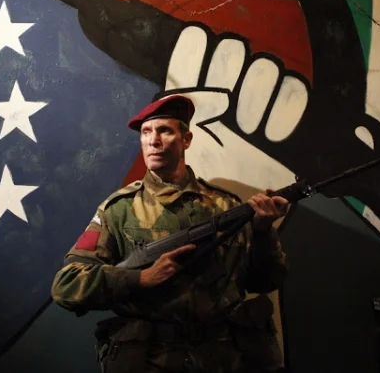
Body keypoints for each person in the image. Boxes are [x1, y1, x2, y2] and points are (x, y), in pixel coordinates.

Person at [51, 94, 289, 372]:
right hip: (153, 359)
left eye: (165, 130)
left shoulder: (227, 206)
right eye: (146, 132)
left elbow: (265, 281)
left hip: (223, 358)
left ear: (186, 139)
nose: (153, 141)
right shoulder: (119, 210)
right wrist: (140, 278)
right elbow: (67, 285)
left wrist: (263, 233)